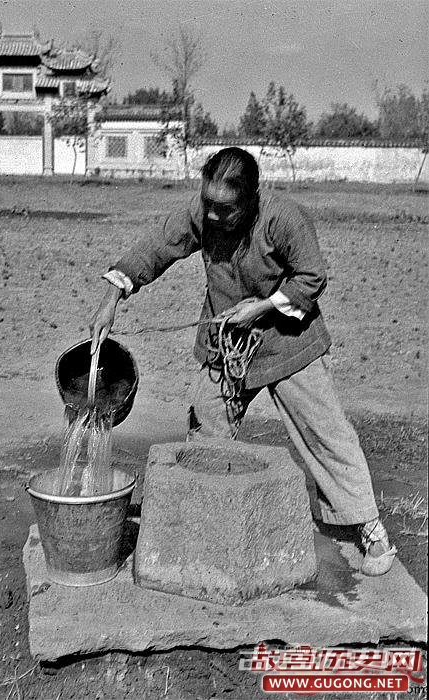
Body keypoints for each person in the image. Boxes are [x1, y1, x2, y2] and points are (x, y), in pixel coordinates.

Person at [89, 147, 396, 576]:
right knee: (207, 425)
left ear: (251, 199)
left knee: (326, 433)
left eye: (225, 208)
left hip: (289, 340)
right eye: (208, 204)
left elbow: (312, 276)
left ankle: (368, 527)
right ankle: (211, 525)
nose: (213, 216)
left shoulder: (283, 218)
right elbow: (157, 247)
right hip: (227, 344)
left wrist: (262, 307)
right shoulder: (203, 213)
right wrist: (112, 298)